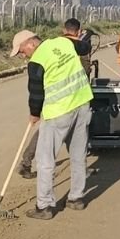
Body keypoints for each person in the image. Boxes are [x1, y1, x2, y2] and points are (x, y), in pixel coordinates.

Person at [10, 29, 94, 220]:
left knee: (45, 160)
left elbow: (36, 92)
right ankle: (76, 198)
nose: (23, 56)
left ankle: (45, 206)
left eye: (22, 51)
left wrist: (34, 113)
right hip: (82, 105)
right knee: (78, 155)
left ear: (31, 43)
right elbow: (84, 47)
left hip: (58, 112)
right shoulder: (63, 42)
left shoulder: (36, 61)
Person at [18, 18, 95, 179]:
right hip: (69, 103)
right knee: (71, 142)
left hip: (58, 104)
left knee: (48, 136)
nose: (23, 55)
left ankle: (26, 161)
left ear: (64, 30)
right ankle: (79, 171)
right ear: (78, 31)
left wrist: (35, 112)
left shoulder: (58, 45)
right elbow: (85, 51)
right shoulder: (68, 45)